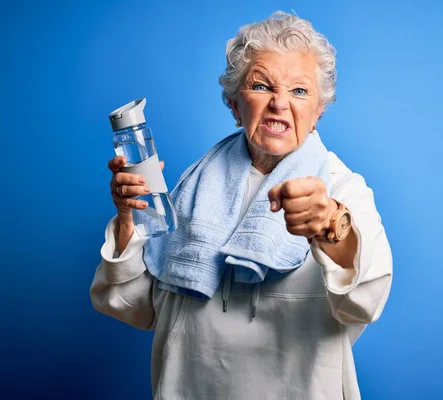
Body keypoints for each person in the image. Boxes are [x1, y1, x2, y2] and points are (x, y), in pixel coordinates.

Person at [90, 11, 392, 400]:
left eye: (299, 91)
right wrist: (130, 219)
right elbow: (133, 305)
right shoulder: (192, 188)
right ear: (235, 104)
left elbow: (365, 303)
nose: (280, 103)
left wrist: (331, 224)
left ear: (319, 111)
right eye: (262, 86)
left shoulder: (342, 187)